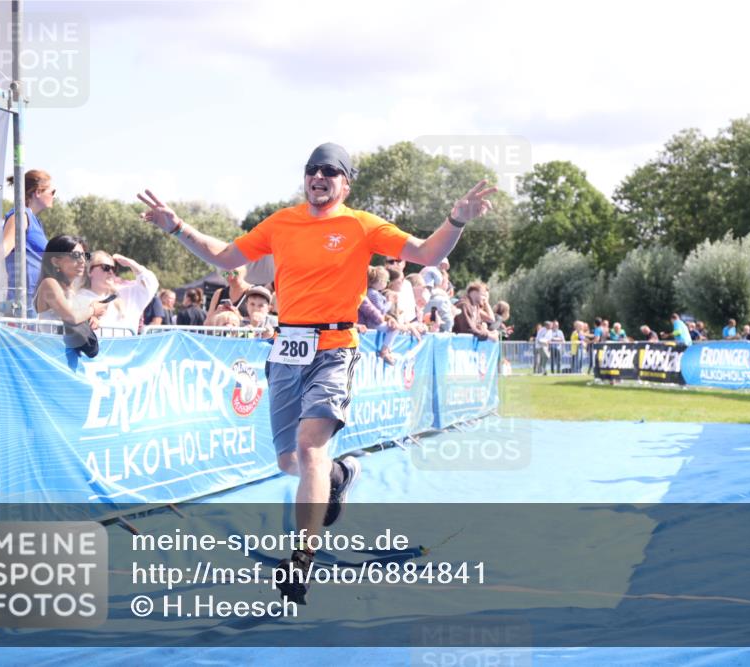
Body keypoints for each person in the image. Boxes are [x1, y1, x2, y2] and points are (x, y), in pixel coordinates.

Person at [136, 142, 495, 604]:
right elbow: (226, 257)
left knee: (309, 451)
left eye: (329, 171)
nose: (318, 177)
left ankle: (301, 560)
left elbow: (425, 253)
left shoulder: (362, 225)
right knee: (291, 462)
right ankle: (341, 477)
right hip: (287, 349)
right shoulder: (281, 222)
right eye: (312, 170)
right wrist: (176, 227)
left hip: (335, 348)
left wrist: (457, 220)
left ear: (345, 183)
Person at [3, 169, 53, 315]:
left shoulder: (33, 220)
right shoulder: (21, 216)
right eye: (52, 192)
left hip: (33, 302)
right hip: (20, 305)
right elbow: (4, 248)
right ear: (38, 192)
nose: (54, 197)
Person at [75, 251, 159, 337]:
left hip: (126, 350)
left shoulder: (124, 295)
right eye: (106, 267)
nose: (111, 272)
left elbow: (151, 285)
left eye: (114, 269)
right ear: (89, 271)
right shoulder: (78, 298)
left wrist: (131, 264)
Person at [33, 235, 108, 331]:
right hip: (53, 345)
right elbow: (71, 318)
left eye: (85, 255)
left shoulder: (73, 289)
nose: (82, 261)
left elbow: (76, 317)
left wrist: (91, 319)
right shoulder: (48, 283)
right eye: (76, 255)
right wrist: (93, 310)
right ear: (55, 261)